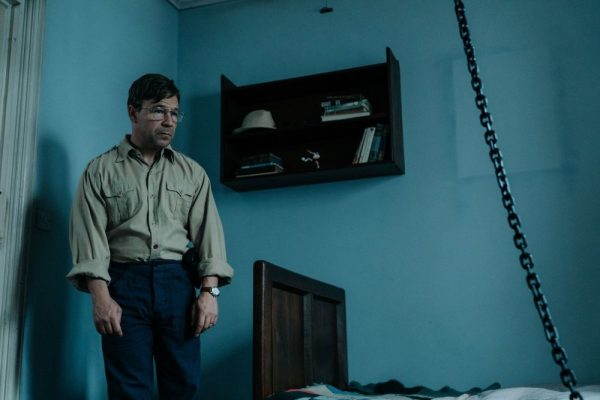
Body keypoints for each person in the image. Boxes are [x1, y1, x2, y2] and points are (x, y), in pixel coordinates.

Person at [67, 73, 234, 399]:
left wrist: (209, 293)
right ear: (133, 112)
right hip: (123, 284)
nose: (169, 121)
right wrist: (101, 298)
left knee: (183, 385)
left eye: (174, 113)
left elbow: (209, 237)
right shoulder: (100, 170)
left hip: (177, 284)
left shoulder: (192, 173)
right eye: (159, 110)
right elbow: (89, 240)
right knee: (128, 390)